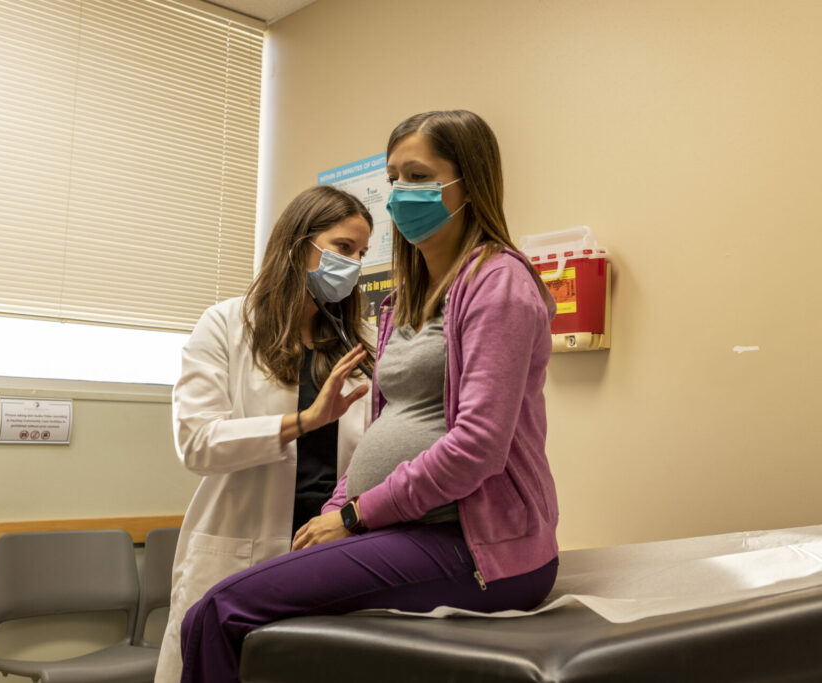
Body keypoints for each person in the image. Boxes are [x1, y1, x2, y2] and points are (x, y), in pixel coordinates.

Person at [178, 110, 559, 683]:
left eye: (419, 176)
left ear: (468, 183)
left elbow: (477, 447)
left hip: (471, 542)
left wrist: (353, 518)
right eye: (394, 178)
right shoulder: (401, 304)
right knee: (216, 613)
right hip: (404, 528)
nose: (401, 194)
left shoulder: (497, 282)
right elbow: (376, 438)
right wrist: (336, 513)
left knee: (222, 611)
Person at [154, 186, 375, 683]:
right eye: (343, 248)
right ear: (299, 244)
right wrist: (304, 421)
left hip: (327, 554)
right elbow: (197, 442)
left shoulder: (357, 346)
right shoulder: (227, 326)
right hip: (238, 550)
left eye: (361, 254)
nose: (355, 265)